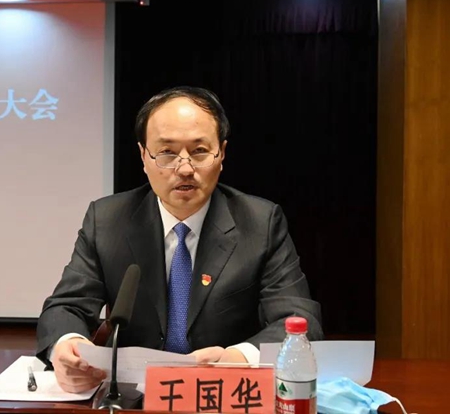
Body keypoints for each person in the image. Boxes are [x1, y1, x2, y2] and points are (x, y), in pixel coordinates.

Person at [36, 86, 323, 393]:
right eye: (167, 153)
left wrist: (239, 358)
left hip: (225, 394)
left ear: (222, 154)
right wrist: (68, 348)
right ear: (144, 156)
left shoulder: (260, 222)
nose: (184, 168)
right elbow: (66, 307)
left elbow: (299, 320)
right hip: (134, 396)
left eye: (199, 151)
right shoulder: (107, 220)